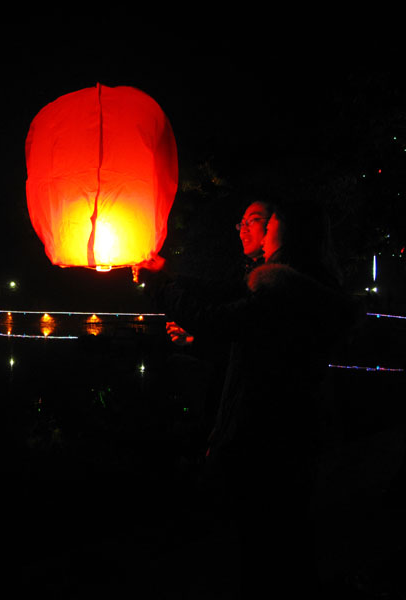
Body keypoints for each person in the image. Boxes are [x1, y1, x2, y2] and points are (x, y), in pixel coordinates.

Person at [139, 198, 359, 598]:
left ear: (287, 230)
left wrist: (160, 288)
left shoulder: (286, 291)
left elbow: (220, 320)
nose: (257, 227)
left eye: (269, 219)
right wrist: (169, 279)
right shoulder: (302, 284)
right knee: (284, 545)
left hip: (268, 440)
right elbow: (231, 309)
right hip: (292, 437)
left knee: (266, 550)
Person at [166, 199, 272, 346]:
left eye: (253, 220)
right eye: (242, 223)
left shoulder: (273, 282)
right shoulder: (241, 272)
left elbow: (224, 321)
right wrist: (193, 337)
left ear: (274, 227)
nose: (244, 229)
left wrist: (162, 284)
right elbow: (228, 330)